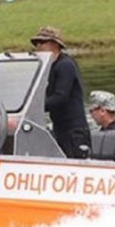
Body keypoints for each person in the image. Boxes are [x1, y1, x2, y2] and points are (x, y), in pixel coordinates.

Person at [31, 26, 91, 159]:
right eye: (36, 43)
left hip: (73, 131)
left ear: (54, 44)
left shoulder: (65, 65)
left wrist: (36, 106)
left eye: (42, 43)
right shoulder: (51, 66)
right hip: (60, 128)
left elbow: (61, 97)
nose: (38, 46)